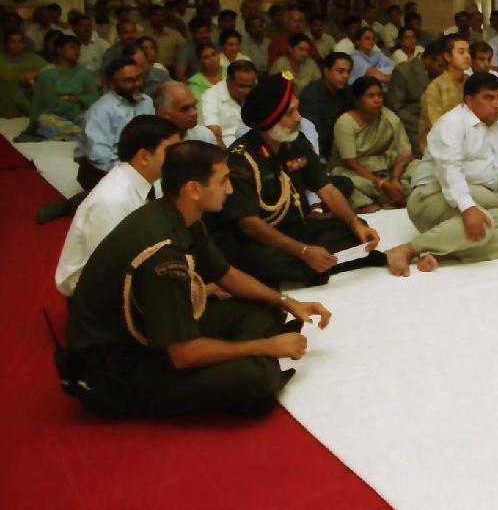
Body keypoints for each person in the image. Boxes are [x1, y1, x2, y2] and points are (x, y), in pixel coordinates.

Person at [66, 141, 333, 419]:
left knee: (266, 308)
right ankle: (252, 360)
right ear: (193, 189)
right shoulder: (162, 255)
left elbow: (226, 275)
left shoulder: (180, 214)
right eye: (223, 181)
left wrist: (287, 302)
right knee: (256, 381)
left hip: (152, 332)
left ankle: (245, 356)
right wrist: (267, 346)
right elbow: (184, 354)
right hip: (118, 366)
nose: (230, 190)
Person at [209, 74, 387, 288]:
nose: (298, 118)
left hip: (297, 227)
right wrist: (302, 251)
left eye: (297, 110)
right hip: (259, 240)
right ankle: (314, 266)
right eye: (290, 113)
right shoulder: (241, 159)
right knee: (266, 261)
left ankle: (316, 265)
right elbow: (250, 226)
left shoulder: (296, 142)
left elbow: (326, 188)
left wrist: (355, 223)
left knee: (356, 231)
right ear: (270, 119)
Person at [386, 71, 498, 274]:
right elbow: (449, 171)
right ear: (469, 101)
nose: (497, 104)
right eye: (488, 97)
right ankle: (408, 250)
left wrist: (493, 207)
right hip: (430, 196)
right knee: (485, 225)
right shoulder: (451, 124)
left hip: (477, 196)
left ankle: (439, 251)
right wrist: (468, 208)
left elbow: (495, 171)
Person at [55, 116, 180, 296]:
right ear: (144, 156)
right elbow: (114, 269)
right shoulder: (112, 200)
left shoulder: (153, 182)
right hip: (93, 292)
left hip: (134, 273)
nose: (178, 158)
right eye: (171, 152)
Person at [331, 76, 413, 210]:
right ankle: (382, 201)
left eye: (380, 95)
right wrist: (381, 184)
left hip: (385, 168)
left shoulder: (388, 117)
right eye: (370, 96)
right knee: (349, 183)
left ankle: (392, 194)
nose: (377, 100)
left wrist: (395, 179)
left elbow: (405, 152)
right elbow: (351, 162)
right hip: (354, 171)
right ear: (357, 100)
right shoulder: (345, 122)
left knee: (419, 167)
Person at [76, 57, 156, 191]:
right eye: (128, 81)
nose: (136, 84)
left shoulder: (147, 102)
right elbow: (99, 156)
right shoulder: (100, 110)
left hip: (138, 165)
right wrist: (130, 175)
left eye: (138, 78)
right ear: (112, 85)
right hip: (102, 170)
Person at [24, 34, 99, 141]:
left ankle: (73, 133)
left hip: (78, 115)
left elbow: (94, 97)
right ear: (59, 50)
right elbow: (51, 103)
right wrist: (77, 99)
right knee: (45, 121)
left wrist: (76, 98)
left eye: (78, 48)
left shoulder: (84, 73)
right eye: (72, 47)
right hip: (54, 116)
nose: (77, 51)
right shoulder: (47, 75)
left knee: (95, 117)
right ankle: (78, 133)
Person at [387, 38, 442, 152]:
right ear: (428, 59)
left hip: (439, 121)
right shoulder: (403, 72)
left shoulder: (441, 72)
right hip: (412, 124)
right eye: (440, 66)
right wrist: (422, 124)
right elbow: (397, 108)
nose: (443, 70)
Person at [421, 35, 472, 151]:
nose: (467, 56)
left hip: (470, 140)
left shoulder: (471, 82)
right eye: (461, 52)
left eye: (468, 52)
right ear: (447, 57)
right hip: (441, 147)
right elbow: (436, 126)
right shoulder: (434, 88)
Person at [300, 52, 354, 159]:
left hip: (341, 148)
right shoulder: (311, 94)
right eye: (340, 71)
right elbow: (313, 134)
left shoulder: (349, 91)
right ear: (326, 71)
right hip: (315, 152)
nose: (346, 76)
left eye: (348, 72)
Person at [202, 60, 258, 148]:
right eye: (242, 86)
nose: (247, 91)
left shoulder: (256, 91)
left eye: (250, 86)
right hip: (226, 150)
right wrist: (226, 155)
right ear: (228, 80)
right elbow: (214, 135)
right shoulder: (211, 96)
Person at [0, 27, 46, 116]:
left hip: (28, 104)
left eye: (20, 42)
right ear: (5, 44)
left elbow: (53, 69)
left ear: (24, 44)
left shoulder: (34, 59)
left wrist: (37, 72)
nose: (17, 45)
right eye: (12, 42)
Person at [172, 17, 214, 81]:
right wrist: (192, 86)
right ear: (192, 34)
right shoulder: (185, 48)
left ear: (210, 32)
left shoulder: (216, 46)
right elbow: (180, 74)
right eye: (199, 33)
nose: (203, 35)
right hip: (194, 84)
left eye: (206, 31)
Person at [146, 5, 184, 70]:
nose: (160, 18)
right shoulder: (144, 35)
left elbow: (184, 50)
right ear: (150, 17)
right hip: (150, 69)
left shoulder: (174, 34)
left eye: (162, 15)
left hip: (171, 69)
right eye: (156, 15)